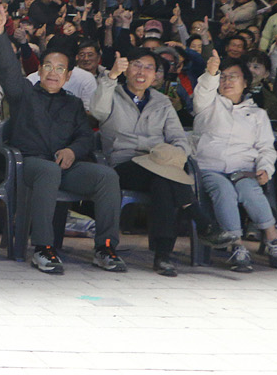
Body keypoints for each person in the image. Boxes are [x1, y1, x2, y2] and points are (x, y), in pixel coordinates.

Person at [0, 10, 125, 274]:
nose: (53, 72)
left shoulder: (73, 103)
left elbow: (85, 136)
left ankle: (105, 247)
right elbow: (7, 68)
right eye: (48, 67)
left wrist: (73, 151)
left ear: (69, 75)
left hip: (66, 167)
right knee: (48, 170)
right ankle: (43, 248)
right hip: (30, 165)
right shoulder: (23, 95)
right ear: (39, 71)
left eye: (60, 68)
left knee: (107, 176)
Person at [90, 49, 210, 276]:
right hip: (123, 162)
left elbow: (178, 138)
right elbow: (97, 110)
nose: (142, 71)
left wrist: (176, 155)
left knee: (163, 183)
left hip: (158, 163)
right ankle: (197, 217)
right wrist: (111, 77)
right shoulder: (110, 93)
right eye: (137, 65)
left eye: (149, 68)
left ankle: (163, 256)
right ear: (127, 68)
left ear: (156, 75)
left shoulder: (162, 102)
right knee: (166, 175)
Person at [190, 53, 277, 271]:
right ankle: (237, 246)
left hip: (244, 170)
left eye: (234, 77)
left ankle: (272, 239)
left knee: (251, 191)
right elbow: (203, 92)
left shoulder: (257, 114)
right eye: (223, 77)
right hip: (210, 168)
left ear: (245, 82)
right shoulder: (208, 104)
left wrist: (265, 168)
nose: (227, 81)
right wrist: (211, 73)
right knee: (224, 191)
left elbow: (266, 147)